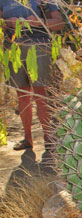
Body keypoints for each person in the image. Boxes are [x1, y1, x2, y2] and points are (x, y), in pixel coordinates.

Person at [0, 0, 64, 154]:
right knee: (22, 95)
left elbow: (59, 23)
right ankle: (28, 139)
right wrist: (8, 23)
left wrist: (40, 22)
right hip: (13, 48)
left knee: (40, 95)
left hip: (40, 46)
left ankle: (48, 139)